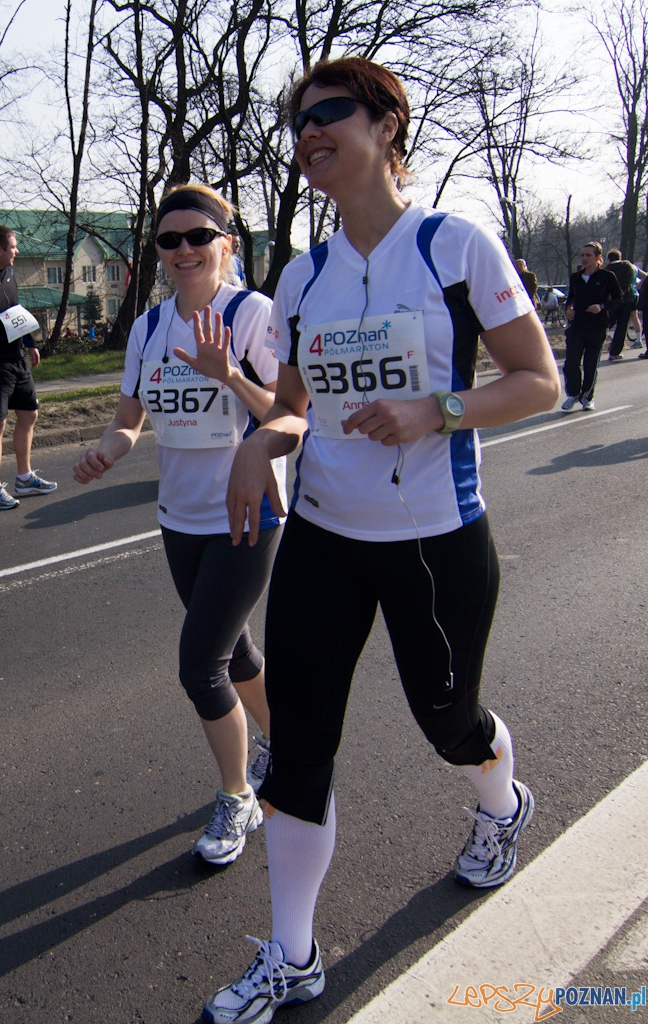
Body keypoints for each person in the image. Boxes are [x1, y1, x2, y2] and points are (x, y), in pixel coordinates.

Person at [203, 57, 560, 1024]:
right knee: (300, 752)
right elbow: (292, 408)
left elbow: (540, 382)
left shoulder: (455, 245)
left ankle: (500, 803)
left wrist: (438, 410)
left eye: (330, 113)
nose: (309, 131)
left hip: (433, 544)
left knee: (450, 723)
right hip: (322, 541)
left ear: (388, 124)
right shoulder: (302, 274)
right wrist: (260, 446)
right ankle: (294, 955)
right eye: (298, 120)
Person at [73, 184, 285, 864]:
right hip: (179, 517)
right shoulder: (148, 327)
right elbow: (131, 417)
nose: (185, 250)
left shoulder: (253, 314)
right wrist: (109, 448)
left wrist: (230, 375)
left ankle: (237, 797)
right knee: (235, 648)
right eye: (170, 240)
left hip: (248, 510)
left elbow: (288, 414)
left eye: (199, 236)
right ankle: (288, 745)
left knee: (202, 665)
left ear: (228, 242)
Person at [0, 225, 57, 510]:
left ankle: (24, 477)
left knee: (29, 414)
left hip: (17, 358)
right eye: (13, 247)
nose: (16, 251)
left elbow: (14, 311)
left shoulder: (8, 274)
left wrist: (30, 342)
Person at [562, 243, 622, 412]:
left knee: (590, 364)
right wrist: (569, 310)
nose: (584, 258)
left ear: (598, 258)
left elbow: (618, 298)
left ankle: (587, 397)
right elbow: (570, 299)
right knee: (571, 363)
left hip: (597, 326)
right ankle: (573, 394)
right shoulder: (576, 277)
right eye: (582, 255)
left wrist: (601, 306)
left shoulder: (607, 276)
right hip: (577, 326)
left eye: (588, 255)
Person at [605, 249, 643, 360]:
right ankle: (615, 352)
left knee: (608, 322)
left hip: (612, 300)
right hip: (627, 299)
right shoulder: (627, 266)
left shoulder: (606, 270)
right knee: (622, 325)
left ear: (609, 258)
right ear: (620, 257)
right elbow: (629, 282)